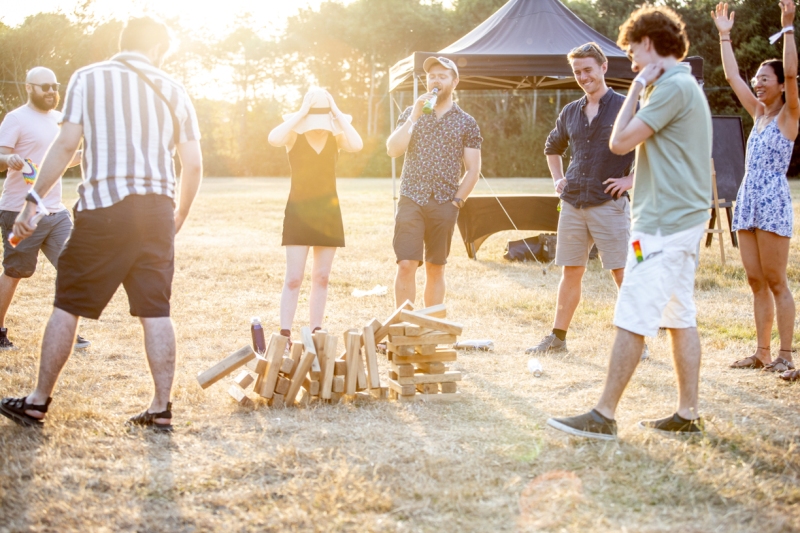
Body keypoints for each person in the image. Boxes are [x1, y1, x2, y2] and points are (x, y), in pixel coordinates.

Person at [0, 16, 203, 431]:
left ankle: (38, 401)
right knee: (156, 309)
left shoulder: (87, 78)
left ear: (123, 42)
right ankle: (161, 408)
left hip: (104, 208)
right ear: (159, 50)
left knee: (68, 303)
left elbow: (64, 145)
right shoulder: (174, 89)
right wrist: (178, 213)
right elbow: (194, 164)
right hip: (157, 211)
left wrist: (32, 202)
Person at [547, 5, 712, 439]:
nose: (631, 62)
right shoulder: (681, 86)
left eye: (633, 52)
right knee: (679, 313)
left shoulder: (672, 86)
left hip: (664, 226)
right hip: (669, 223)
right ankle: (688, 414)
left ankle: (602, 415)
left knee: (633, 308)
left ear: (650, 44)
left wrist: (637, 85)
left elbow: (618, 140)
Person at [527, 42, 638, 356]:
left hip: (609, 203)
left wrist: (631, 179)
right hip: (573, 202)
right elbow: (552, 147)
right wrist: (557, 178)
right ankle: (557, 339)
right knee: (570, 272)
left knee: (622, 272)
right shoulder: (570, 111)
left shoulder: (626, 106)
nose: (583, 76)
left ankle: (636, 341)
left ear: (603, 67)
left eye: (588, 69)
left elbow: (655, 149)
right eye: (577, 72)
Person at [713, 0, 798, 377]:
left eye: (766, 78)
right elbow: (733, 77)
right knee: (754, 279)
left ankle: (785, 354)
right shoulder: (758, 114)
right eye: (758, 78)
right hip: (749, 199)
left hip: (773, 200)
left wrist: (788, 27)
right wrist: (725, 36)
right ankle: (762, 353)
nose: (758, 82)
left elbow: (793, 74)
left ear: (780, 86)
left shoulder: (789, 114)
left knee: (777, 280)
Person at [0, 67, 90, 351]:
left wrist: (90, 152)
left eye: (55, 86)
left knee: (73, 267)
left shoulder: (60, 120)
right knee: (15, 272)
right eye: (45, 87)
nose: (52, 91)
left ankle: (67, 332)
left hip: (55, 212)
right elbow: (0, 156)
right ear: (29, 87)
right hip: (20, 211)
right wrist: (9, 158)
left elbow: (64, 158)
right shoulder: (15, 119)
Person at [267, 89, 363, 343]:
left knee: (322, 277)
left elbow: (357, 144)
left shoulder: (337, 138)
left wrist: (336, 112)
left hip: (328, 213)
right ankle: (285, 333)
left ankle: (316, 329)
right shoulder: (292, 137)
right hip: (299, 212)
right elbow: (273, 138)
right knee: (294, 278)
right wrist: (301, 113)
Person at [386, 57, 482, 307]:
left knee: (435, 268)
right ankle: (403, 328)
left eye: (442, 76)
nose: (435, 81)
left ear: (455, 81)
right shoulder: (411, 113)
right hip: (411, 199)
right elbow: (392, 150)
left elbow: (473, 169)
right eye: (431, 76)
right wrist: (414, 117)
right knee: (406, 264)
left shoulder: (466, 122)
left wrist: (456, 202)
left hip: (444, 203)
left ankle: (430, 328)